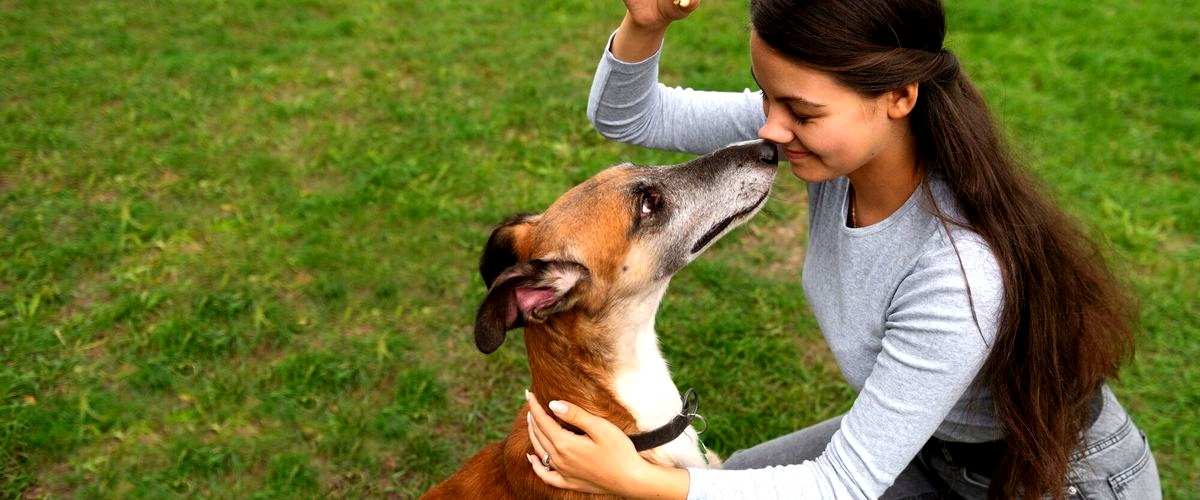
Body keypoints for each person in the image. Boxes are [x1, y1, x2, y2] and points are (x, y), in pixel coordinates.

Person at [522, 0, 1163, 498]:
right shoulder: (836, 146)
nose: (770, 130)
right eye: (765, 94)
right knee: (735, 479)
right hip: (938, 448)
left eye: (799, 109)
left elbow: (841, 485)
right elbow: (630, 120)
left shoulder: (956, 272)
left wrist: (634, 479)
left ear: (898, 98)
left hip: (1053, 481)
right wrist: (645, 27)